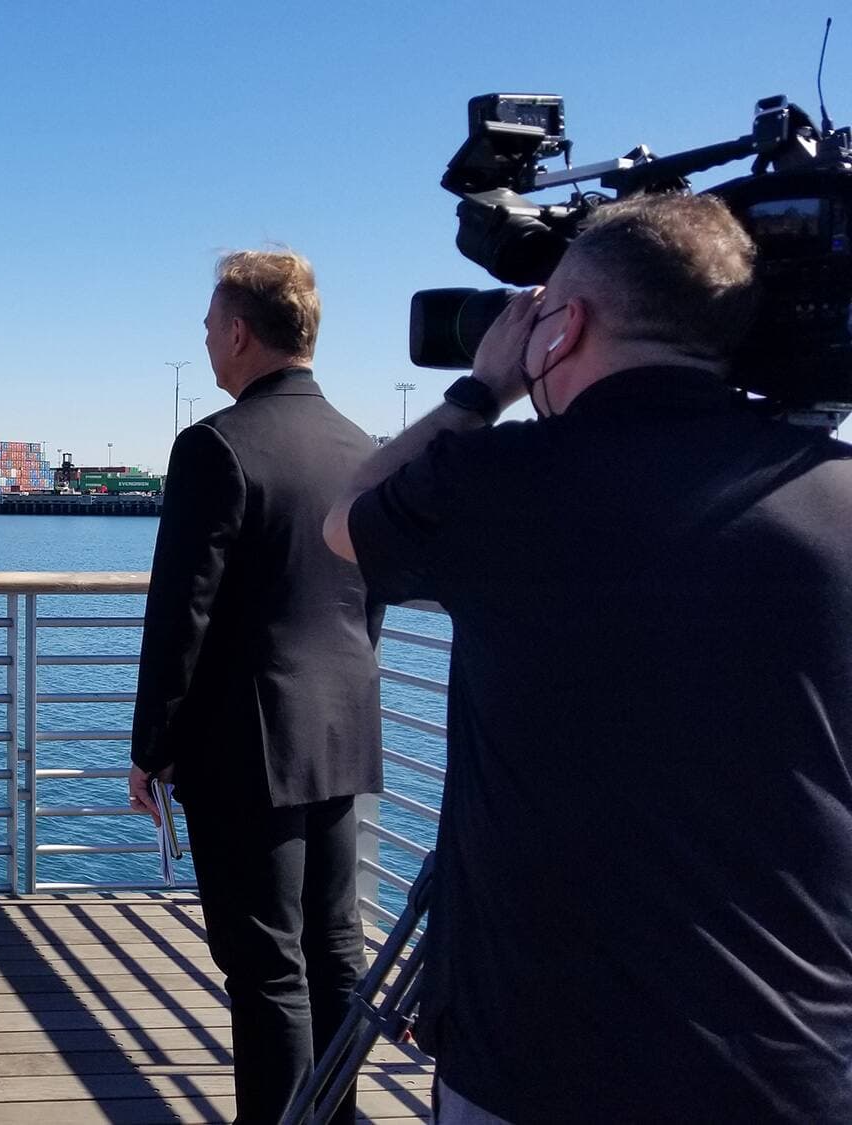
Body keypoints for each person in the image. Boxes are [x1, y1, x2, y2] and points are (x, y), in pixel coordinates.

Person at [324, 193, 852, 1123]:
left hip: (542, 1058)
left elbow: (345, 518)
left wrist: (485, 385)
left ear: (562, 326)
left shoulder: (503, 482)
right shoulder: (838, 495)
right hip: (796, 1065)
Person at [130, 249, 384, 1125]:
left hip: (245, 747)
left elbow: (180, 618)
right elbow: (369, 599)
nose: (205, 342)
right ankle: (340, 1116)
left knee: (266, 962)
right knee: (337, 948)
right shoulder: (364, 447)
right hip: (341, 730)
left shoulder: (213, 446)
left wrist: (151, 749)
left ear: (240, 332)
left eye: (208, 327)